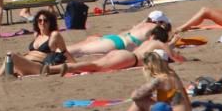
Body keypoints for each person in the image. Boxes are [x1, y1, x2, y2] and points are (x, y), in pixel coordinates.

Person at [0, 10, 71, 79]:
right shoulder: (37, 35)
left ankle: (1, 76)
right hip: (27, 63)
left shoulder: (54, 35)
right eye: (39, 21)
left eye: (45, 20)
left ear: (51, 22)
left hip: (38, 66)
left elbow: (64, 51)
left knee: (11, 55)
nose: (42, 23)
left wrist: (76, 65)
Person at [107, 51, 191, 111]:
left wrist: (147, 76)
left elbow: (135, 96)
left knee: (141, 101)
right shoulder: (171, 74)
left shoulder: (160, 79)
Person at [45, 26, 180, 75]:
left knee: (87, 55)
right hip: (128, 58)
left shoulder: (146, 41)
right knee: (94, 65)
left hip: (120, 50)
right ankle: (58, 68)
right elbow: (175, 57)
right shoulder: (158, 44)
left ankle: (55, 66)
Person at [66, 11, 172, 57]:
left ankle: (54, 51)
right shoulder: (154, 29)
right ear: (159, 22)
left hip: (114, 38)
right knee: (78, 51)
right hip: (119, 44)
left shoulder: (140, 26)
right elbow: (161, 45)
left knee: (75, 49)